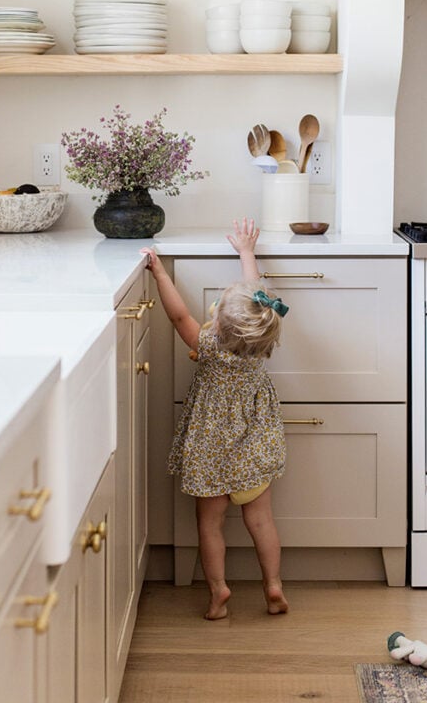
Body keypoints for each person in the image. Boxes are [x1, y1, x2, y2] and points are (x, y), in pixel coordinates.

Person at [141, 217, 289, 620]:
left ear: (219, 322)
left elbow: (177, 316)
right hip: (254, 450)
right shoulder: (260, 343)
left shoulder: (207, 345)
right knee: (261, 521)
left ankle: (219, 592)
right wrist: (247, 252)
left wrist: (158, 272)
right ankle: (273, 585)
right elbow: (257, 292)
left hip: (210, 453)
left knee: (210, 527)